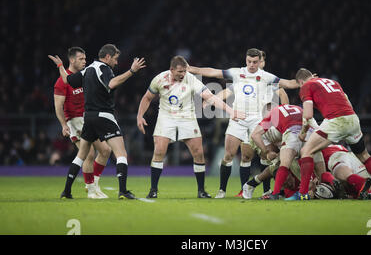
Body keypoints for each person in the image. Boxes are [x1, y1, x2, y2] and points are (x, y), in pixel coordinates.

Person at [188, 48, 300, 198]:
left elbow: (287, 85)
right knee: (229, 154)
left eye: (255, 62)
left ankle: (264, 190)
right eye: (249, 61)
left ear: (260, 61)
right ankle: (222, 190)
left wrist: (304, 81)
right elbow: (214, 72)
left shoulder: (266, 77)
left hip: (258, 120)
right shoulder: (237, 73)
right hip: (238, 119)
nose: (252, 65)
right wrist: (192, 69)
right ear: (246, 60)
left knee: (259, 155)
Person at [136, 55, 245, 199]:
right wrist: (139, 115)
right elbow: (147, 98)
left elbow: (210, 97)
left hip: (187, 117)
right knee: (159, 151)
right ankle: (153, 189)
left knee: (199, 153)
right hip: (166, 117)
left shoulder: (191, 79)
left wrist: (231, 111)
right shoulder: (159, 79)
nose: (183, 74)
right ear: (171, 69)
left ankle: (201, 191)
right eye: (180, 72)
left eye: (184, 71)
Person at [49, 44, 146, 199]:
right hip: (102, 116)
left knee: (84, 155)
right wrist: (132, 71)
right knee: (120, 153)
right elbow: (112, 83)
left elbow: (67, 79)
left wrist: (59, 66)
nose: (116, 62)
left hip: (88, 118)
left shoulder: (86, 70)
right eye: (115, 59)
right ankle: (121, 190)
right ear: (107, 57)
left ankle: (68, 191)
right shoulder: (104, 69)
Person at [293, 68, 371, 201]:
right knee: (364, 155)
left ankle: (303, 193)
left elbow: (308, 114)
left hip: (335, 120)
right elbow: (346, 100)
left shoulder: (305, 86)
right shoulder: (332, 82)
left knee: (306, 151)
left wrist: (303, 132)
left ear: (300, 82)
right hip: (352, 118)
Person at [52, 47, 111, 199]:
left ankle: (91, 185)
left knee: (105, 151)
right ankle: (91, 190)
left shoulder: (84, 76)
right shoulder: (61, 81)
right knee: (89, 154)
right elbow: (58, 106)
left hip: (89, 118)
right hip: (75, 120)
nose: (85, 61)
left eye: (85, 59)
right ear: (72, 60)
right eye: (81, 59)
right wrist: (64, 125)